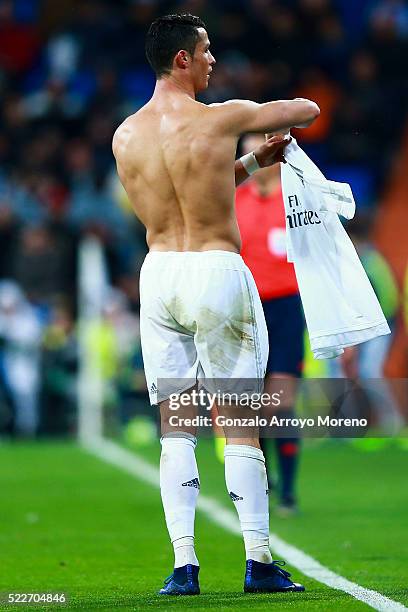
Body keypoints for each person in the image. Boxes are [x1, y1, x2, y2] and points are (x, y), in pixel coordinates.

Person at [112, 13, 319, 596]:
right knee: (240, 425)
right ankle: (258, 562)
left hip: (159, 276)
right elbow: (307, 110)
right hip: (216, 270)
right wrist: (275, 118)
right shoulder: (219, 117)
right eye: (205, 51)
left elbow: (184, 191)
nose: (212, 61)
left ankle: (183, 568)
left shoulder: (124, 135)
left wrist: (255, 163)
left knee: (175, 428)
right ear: (181, 58)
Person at [236, 133, 304, 516]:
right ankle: (263, 481)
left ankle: (289, 491)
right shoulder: (235, 199)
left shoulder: (295, 200)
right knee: (251, 404)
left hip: (287, 308)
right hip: (245, 309)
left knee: (280, 403)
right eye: (248, 154)